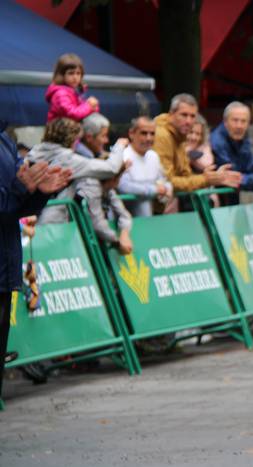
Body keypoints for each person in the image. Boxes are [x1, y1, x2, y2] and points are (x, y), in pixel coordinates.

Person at [1, 121, 72, 404]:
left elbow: (16, 207)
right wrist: (22, 188)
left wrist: (40, 192)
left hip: (5, 268)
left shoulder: (5, 140)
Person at [26, 118, 127, 224]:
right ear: (71, 138)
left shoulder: (34, 152)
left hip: (30, 217)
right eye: (77, 140)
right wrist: (119, 146)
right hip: (54, 221)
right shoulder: (67, 159)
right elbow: (111, 168)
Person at [153, 94, 241, 208]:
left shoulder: (180, 135)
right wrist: (205, 179)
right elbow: (167, 181)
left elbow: (185, 175)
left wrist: (210, 177)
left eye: (192, 116)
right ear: (171, 114)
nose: (188, 121)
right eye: (184, 115)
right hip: (152, 208)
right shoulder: (162, 135)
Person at [210, 101, 253, 205]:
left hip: (231, 203)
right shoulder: (217, 141)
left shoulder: (243, 139)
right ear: (225, 121)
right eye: (235, 120)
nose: (239, 125)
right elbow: (231, 179)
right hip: (213, 204)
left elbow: (251, 171)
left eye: (243, 121)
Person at [119, 117, 173, 217]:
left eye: (152, 134)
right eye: (144, 133)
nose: (149, 138)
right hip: (124, 217)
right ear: (131, 134)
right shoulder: (123, 155)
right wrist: (153, 190)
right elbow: (123, 186)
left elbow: (162, 180)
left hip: (148, 217)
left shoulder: (153, 156)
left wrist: (167, 188)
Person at [76, 159, 133, 254]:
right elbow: (98, 224)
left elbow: (125, 215)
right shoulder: (90, 188)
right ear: (113, 178)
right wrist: (117, 242)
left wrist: (124, 233)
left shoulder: (109, 191)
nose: (118, 183)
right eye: (119, 177)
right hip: (77, 238)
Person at [45, 53, 99, 123]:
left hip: (71, 127)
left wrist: (93, 106)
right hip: (61, 129)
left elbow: (82, 110)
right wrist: (89, 106)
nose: (75, 77)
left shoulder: (74, 91)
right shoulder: (60, 94)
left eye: (78, 73)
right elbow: (72, 114)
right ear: (61, 75)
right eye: (71, 73)